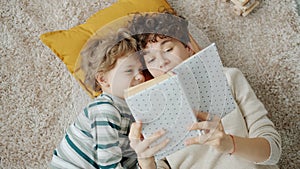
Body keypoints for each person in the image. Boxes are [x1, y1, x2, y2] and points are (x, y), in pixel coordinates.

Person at [127, 12, 282, 169]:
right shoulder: (151, 112)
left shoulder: (228, 77)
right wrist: (145, 162)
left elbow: (273, 152)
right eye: (151, 59)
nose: (162, 62)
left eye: (168, 49)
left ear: (188, 47)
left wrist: (230, 144)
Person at [49, 28, 146, 169]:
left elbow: (129, 157)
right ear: (103, 79)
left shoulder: (132, 111)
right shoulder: (104, 109)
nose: (140, 77)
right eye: (129, 70)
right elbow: (108, 163)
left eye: (141, 70)